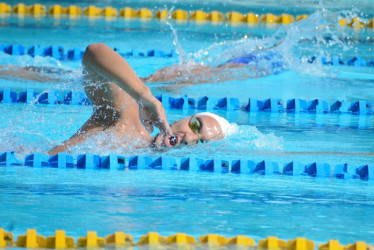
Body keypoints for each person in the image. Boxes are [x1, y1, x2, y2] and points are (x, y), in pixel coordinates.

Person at [48, 43, 236, 155]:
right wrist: (145, 96)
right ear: (181, 119)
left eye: (201, 142)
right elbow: (94, 52)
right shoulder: (126, 122)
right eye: (195, 126)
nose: (190, 138)